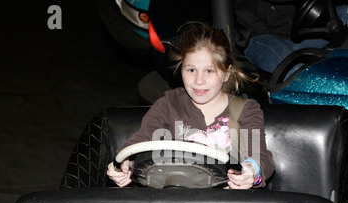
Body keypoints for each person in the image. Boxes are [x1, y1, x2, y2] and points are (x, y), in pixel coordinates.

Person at [107, 22, 275, 189]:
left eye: (209, 71)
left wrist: (251, 171)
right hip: (174, 199)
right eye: (191, 70)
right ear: (181, 69)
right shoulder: (169, 104)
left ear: (226, 74)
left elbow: (261, 156)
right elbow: (141, 139)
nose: (199, 81)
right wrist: (125, 163)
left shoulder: (246, 110)